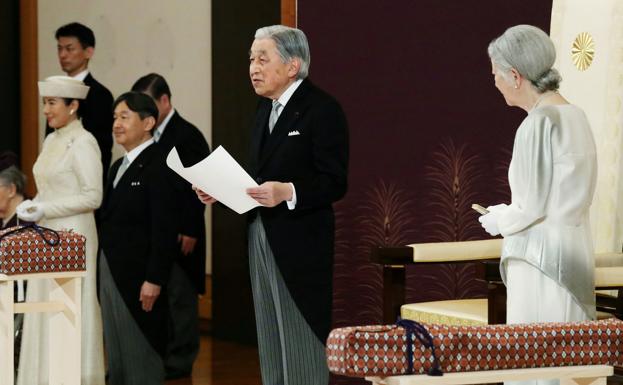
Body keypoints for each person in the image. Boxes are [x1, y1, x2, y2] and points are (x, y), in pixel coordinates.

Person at [196, 25, 349, 385]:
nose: (253, 68)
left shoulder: (322, 109)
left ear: (293, 65)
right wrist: (221, 192)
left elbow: (335, 181)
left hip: (300, 242)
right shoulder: (264, 111)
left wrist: (289, 191)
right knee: (268, 332)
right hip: (259, 232)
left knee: (299, 335)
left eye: (263, 59)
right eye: (251, 59)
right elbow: (256, 177)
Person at [479, 24, 597, 385]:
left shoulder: (537, 125)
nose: (494, 81)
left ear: (515, 76)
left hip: (540, 261)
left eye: (496, 73)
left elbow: (530, 207)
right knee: (569, 362)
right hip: (575, 252)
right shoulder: (576, 115)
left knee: (537, 367)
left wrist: (500, 218)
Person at [16, 75, 105, 385]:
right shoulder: (51, 140)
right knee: (45, 303)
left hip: (72, 234)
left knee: (67, 306)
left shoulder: (84, 141)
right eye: (44, 102)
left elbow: (93, 196)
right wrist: (32, 205)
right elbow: (51, 190)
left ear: (73, 106)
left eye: (52, 102)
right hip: (47, 232)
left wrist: (45, 208)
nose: (46, 109)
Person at [131, 73, 211, 379]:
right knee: (164, 295)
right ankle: (164, 354)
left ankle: (181, 359)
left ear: (165, 100)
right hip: (159, 231)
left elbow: (201, 182)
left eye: (149, 103)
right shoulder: (151, 136)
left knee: (181, 296)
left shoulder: (186, 134)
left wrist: (190, 228)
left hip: (183, 230)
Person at [98, 91, 178, 385]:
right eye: (115, 118)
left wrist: (154, 279)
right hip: (111, 271)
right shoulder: (118, 167)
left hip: (140, 276)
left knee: (140, 357)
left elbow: (164, 228)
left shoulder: (160, 164)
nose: (116, 124)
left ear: (147, 123)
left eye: (124, 117)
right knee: (117, 357)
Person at [51, 22, 114, 185]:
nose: (63, 55)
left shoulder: (100, 94)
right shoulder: (56, 92)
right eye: (59, 48)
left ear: (88, 52)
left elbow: (102, 148)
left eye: (69, 48)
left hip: (84, 183)